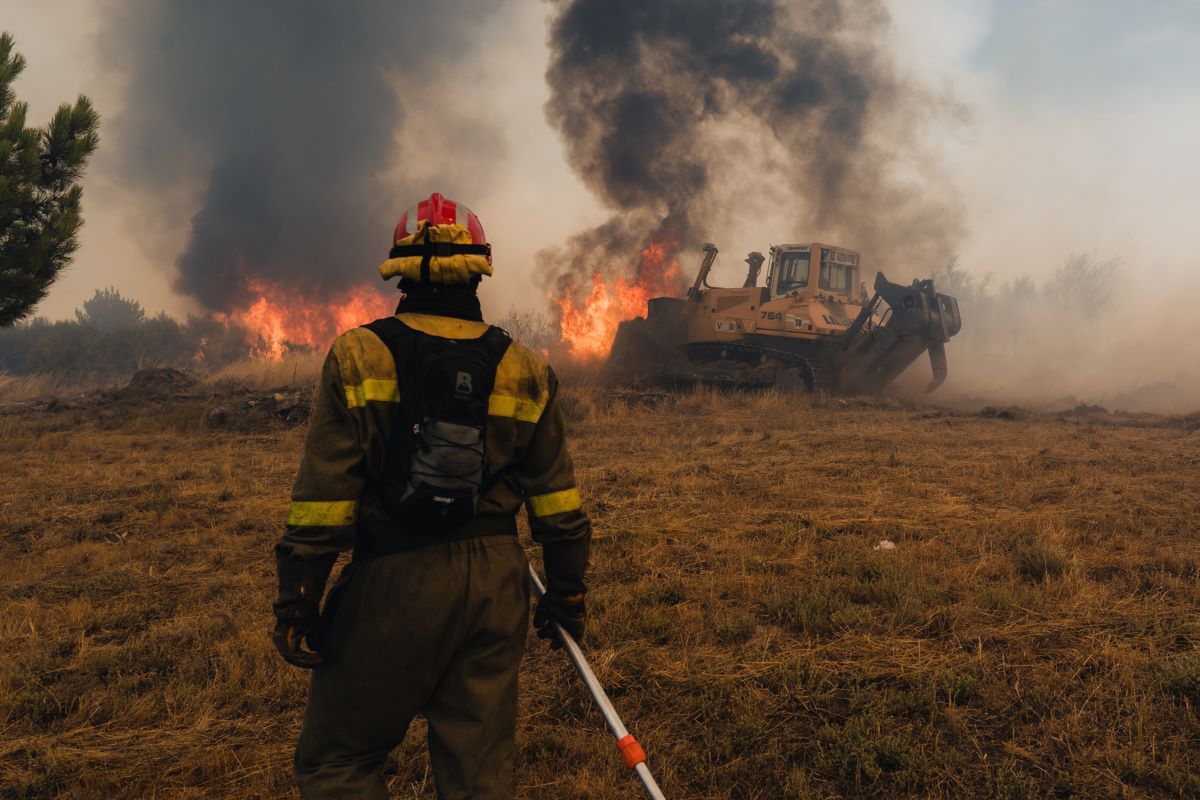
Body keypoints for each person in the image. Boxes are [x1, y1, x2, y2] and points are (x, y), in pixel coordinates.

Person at [271, 193, 592, 799]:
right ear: (479, 269)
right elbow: (558, 503)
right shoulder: (525, 367)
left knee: (339, 760)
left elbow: (323, 499)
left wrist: (299, 599)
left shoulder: (359, 354)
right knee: (479, 779)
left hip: (394, 577)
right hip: (498, 586)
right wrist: (568, 591)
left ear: (400, 268)